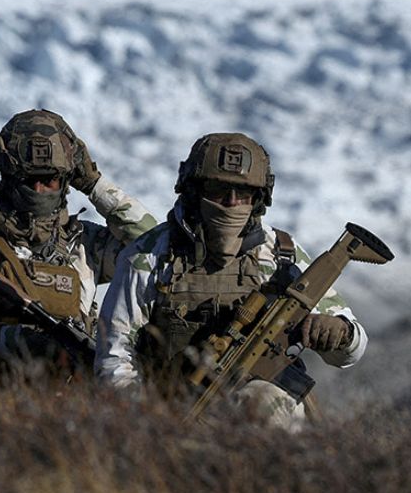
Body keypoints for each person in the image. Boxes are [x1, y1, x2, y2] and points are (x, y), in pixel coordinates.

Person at [96, 132, 367, 428]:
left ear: (259, 199)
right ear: (193, 191)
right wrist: (145, 422)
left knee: (267, 402)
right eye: (217, 190)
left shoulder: (280, 256)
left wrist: (340, 332)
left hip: (262, 414)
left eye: (244, 193)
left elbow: (350, 352)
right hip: (172, 412)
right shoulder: (150, 256)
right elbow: (115, 357)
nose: (231, 202)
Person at [0, 109, 156, 380]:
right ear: (6, 175)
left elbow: (153, 247)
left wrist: (94, 184)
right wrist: (12, 341)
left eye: (49, 179)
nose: (39, 190)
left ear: (67, 180)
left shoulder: (86, 245)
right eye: (29, 180)